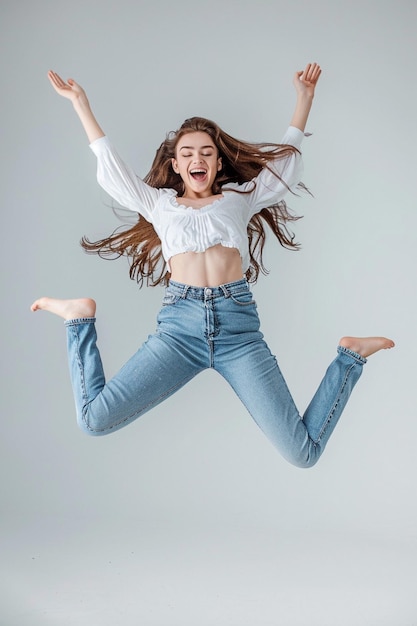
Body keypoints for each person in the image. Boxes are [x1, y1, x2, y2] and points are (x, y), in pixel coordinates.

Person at [31, 63, 394, 468]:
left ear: (219, 164)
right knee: (94, 420)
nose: (197, 159)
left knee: (303, 453)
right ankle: (78, 320)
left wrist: (304, 100)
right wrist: (81, 104)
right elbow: (113, 173)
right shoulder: (159, 203)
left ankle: (349, 357)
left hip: (238, 331)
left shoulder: (241, 197)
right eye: (187, 154)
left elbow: (284, 168)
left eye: (207, 152)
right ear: (175, 166)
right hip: (179, 331)